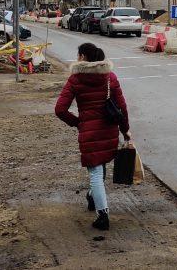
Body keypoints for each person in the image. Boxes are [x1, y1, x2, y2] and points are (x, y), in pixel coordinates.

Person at [54, 42, 131, 231]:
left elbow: (60, 109)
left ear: (82, 57)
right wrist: (125, 130)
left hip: (89, 131)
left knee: (95, 172)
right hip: (109, 130)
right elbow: (122, 107)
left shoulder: (76, 79)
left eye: (78, 55)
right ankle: (92, 195)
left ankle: (102, 215)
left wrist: (77, 122)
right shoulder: (110, 77)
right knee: (101, 163)